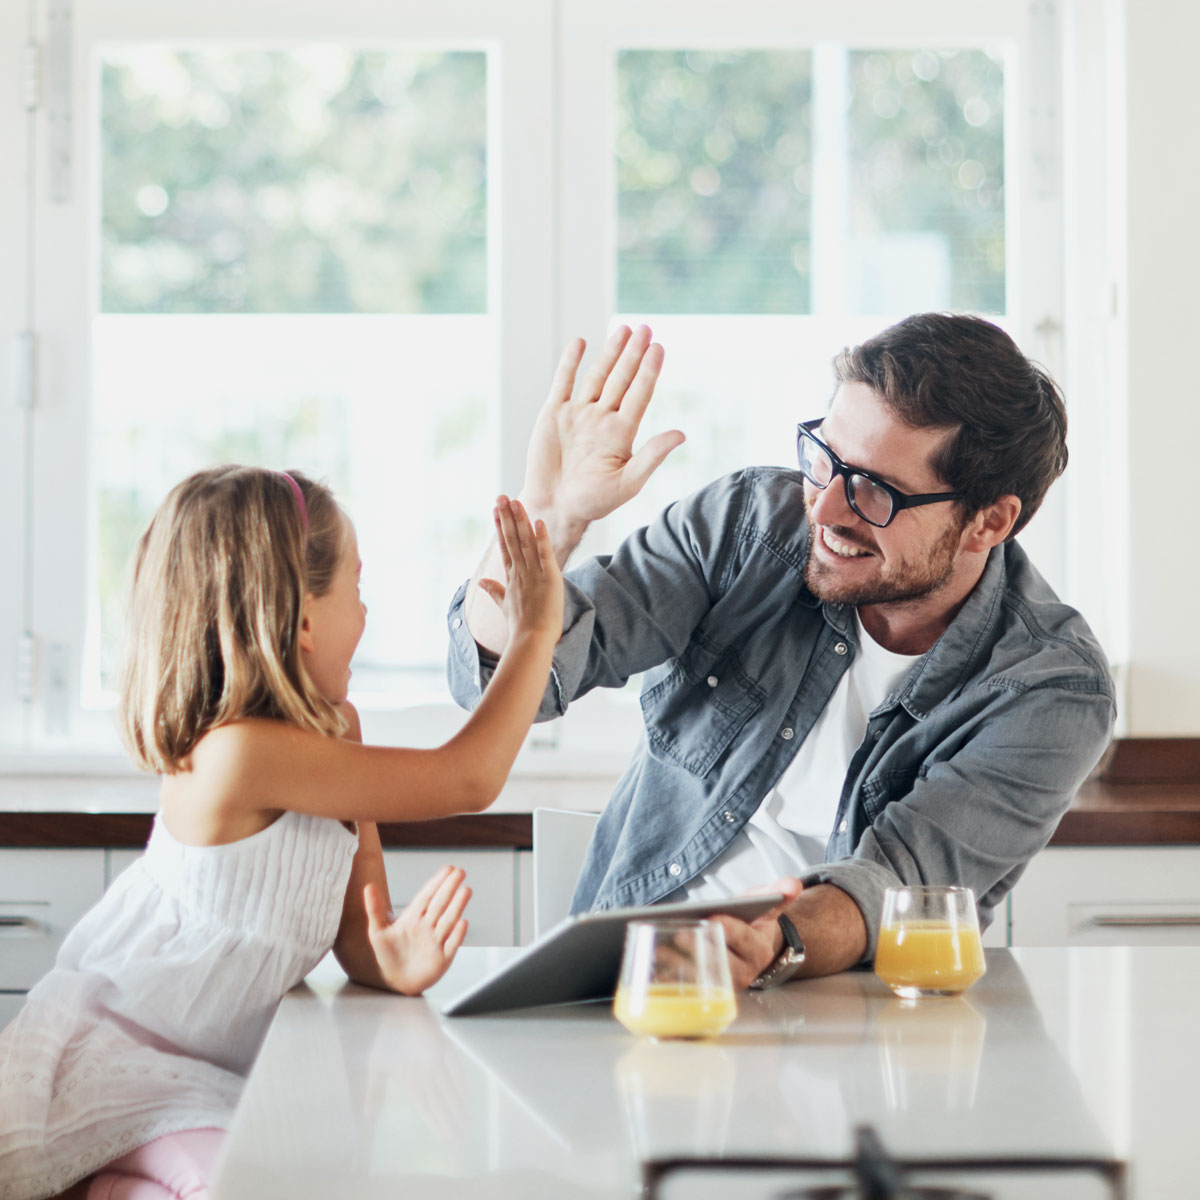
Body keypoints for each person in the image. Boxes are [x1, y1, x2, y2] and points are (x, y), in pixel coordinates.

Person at [448, 315, 1116, 992]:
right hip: (635, 985)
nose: (826, 509)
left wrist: (775, 943)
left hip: (844, 1019)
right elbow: (507, 688)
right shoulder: (748, 525)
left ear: (991, 521)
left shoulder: (1049, 687)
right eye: (824, 458)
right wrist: (550, 518)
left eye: (876, 491)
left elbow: (904, 883)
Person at [0, 466, 562, 1200]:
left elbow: (357, 933)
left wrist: (390, 959)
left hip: (213, 1076)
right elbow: (468, 778)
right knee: (240, 1183)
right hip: (125, 1061)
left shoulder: (336, 737)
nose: (368, 615)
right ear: (301, 620)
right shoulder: (235, 754)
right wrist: (535, 633)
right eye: (357, 591)